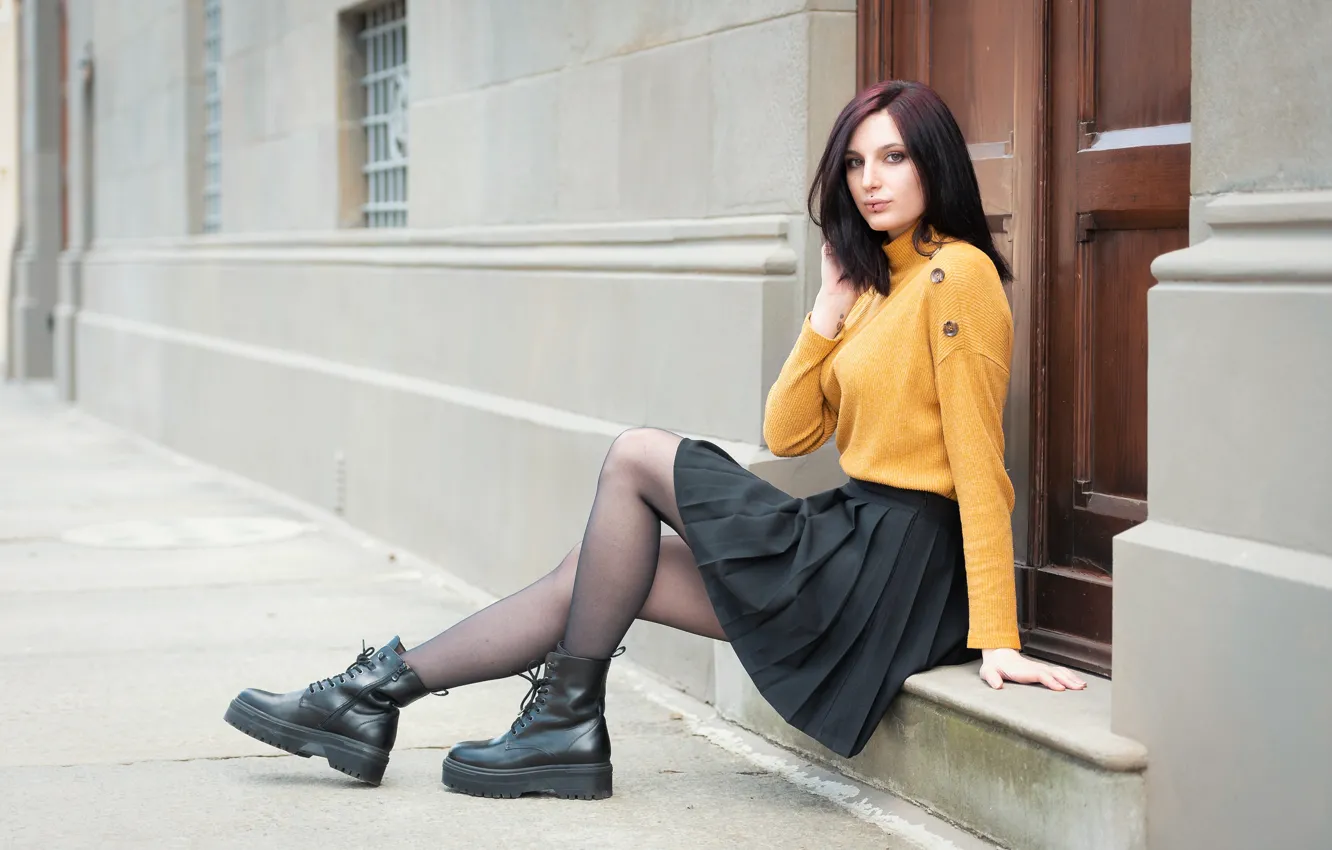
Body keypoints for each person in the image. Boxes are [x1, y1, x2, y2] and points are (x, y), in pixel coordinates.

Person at [223, 79, 1086, 800]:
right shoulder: (876, 287)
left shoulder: (957, 275)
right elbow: (789, 433)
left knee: (637, 455)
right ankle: (391, 697)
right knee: (599, 567)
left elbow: (980, 462)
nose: (870, 181)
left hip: (892, 565)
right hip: (851, 541)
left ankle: (501, 715)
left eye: (892, 157)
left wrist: (998, 636)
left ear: (934, 161)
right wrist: (826, 311)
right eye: (856, 162)